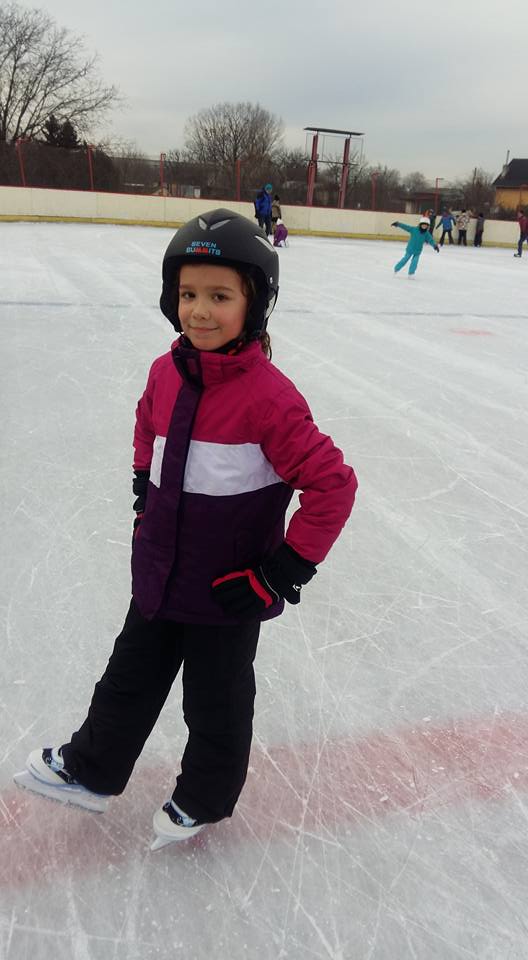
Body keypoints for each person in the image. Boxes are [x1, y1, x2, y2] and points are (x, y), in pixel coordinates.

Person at [14, 208, 357, 850]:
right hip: (160, 568)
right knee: (127, 677)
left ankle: (203, 798)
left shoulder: (271, 400)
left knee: (215, 702)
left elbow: (333, 486)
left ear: (255, 306)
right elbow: (146, 424)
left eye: (220, 297)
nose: (199, 311)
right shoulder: (165, 371)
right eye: (188, 293)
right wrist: (143, 486)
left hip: (228, 590)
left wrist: (281, 571)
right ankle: (92, 769)